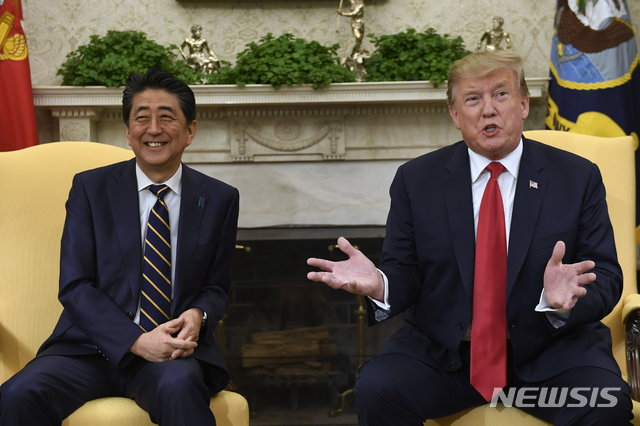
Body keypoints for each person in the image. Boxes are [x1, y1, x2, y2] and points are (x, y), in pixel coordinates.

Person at [307, 50, 633, 425]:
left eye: (501, 94)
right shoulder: (417, 180)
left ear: (525, 103)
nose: (488, 110)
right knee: (378, 388)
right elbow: (404, 269)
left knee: (605, 404)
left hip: (553, 353)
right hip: (448, 358)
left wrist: (563, 301)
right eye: (473, 99)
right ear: (455, 115)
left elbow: (606, 275)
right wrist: (380, 283)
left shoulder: (576, 177)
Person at [0, 67, 239, 425]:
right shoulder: (91, 189)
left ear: (190, 130)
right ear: (128, 132)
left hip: (171, 356)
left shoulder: (219, 198)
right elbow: (75, 285)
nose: (153, 129)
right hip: (87, 350)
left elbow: (216, 287)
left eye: (167, 117)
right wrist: (135, 341)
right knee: (18, 394)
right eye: (141, 118)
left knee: (180, 389)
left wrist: (198, 315)